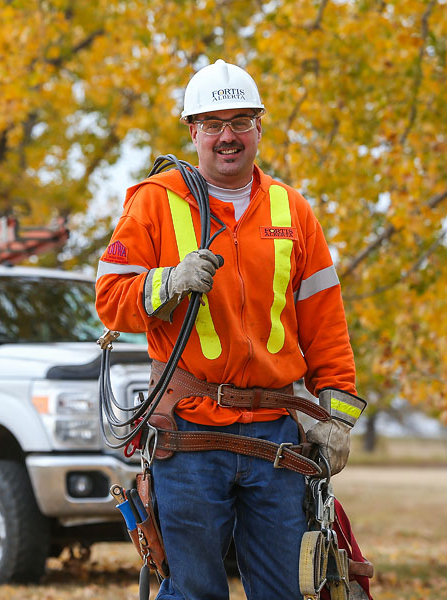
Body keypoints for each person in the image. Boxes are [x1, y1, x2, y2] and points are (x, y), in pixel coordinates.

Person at [95, 59, 367, 599]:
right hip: (191, 433)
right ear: (193, 131)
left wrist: (336, 418)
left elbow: (325, 324)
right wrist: (166, 282)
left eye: (241, 121)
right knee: (195, 591)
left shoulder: (293, 210)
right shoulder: (155, 202)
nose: (228, 136)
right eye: (214, 124)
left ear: (260, 128)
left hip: (275, 433)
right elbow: (110, 301)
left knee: (285, 592)